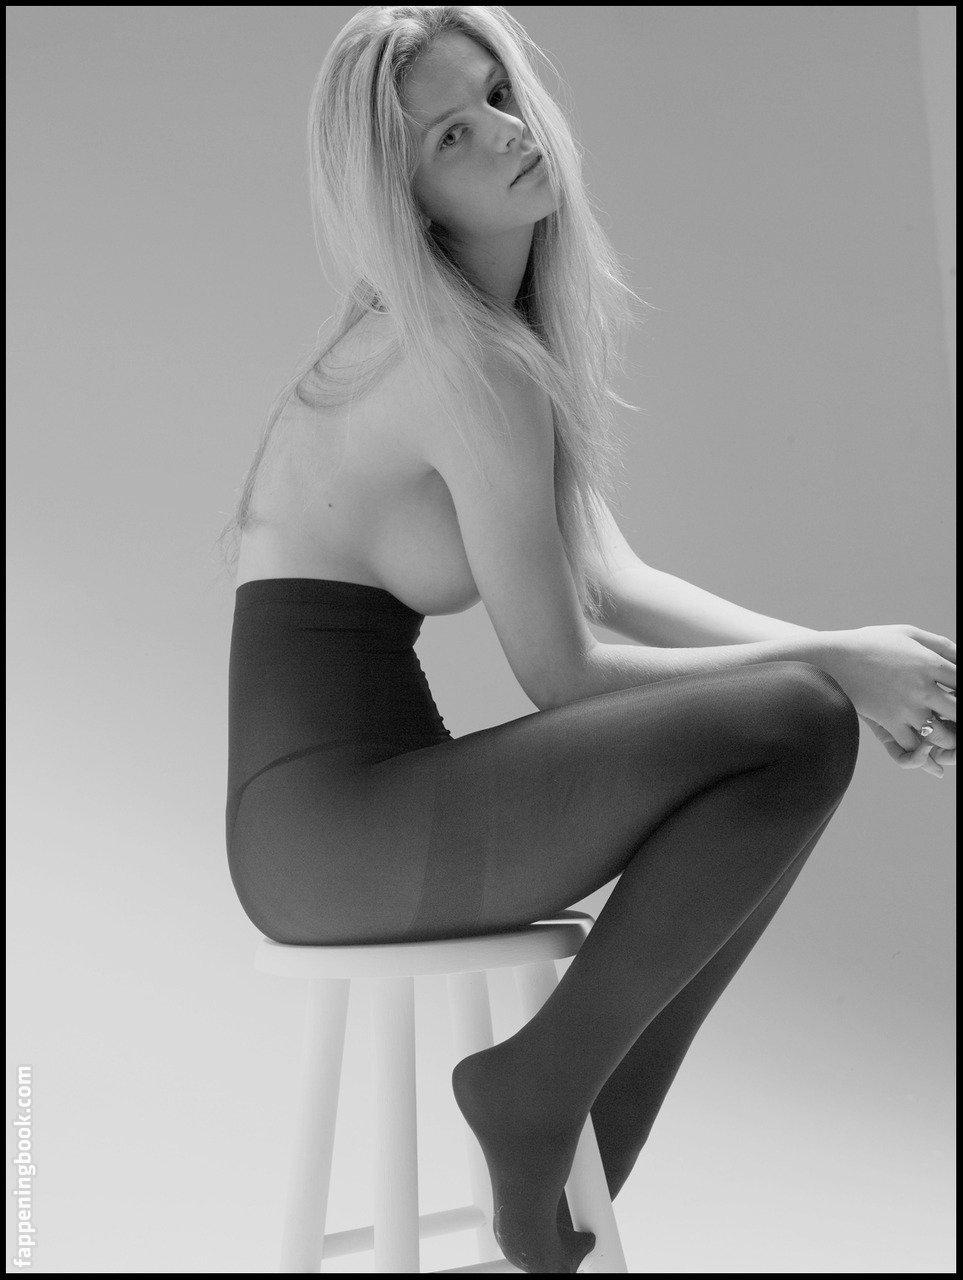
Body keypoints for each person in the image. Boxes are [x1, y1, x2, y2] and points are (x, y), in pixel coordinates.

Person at [217, 8, 956, 1273]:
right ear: (407, 194)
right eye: (452, 135)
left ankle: (570, 1140)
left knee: (799, 729)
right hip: (331, 835)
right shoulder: (459, 361)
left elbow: (612, 579)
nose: (506, 134)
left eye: (498, 94)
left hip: (364, 813)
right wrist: (840, 669)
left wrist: (854, 651)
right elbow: (566, 675)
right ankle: (544, 1104)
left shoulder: (494, 342)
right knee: (794, 724)